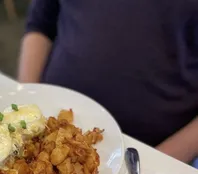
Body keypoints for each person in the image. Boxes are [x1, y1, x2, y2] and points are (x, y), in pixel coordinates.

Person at [18, 0, 198, 164]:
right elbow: (40, 23)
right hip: (46, 124)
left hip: (152, 152)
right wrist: (25, 104)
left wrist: (156, 164)